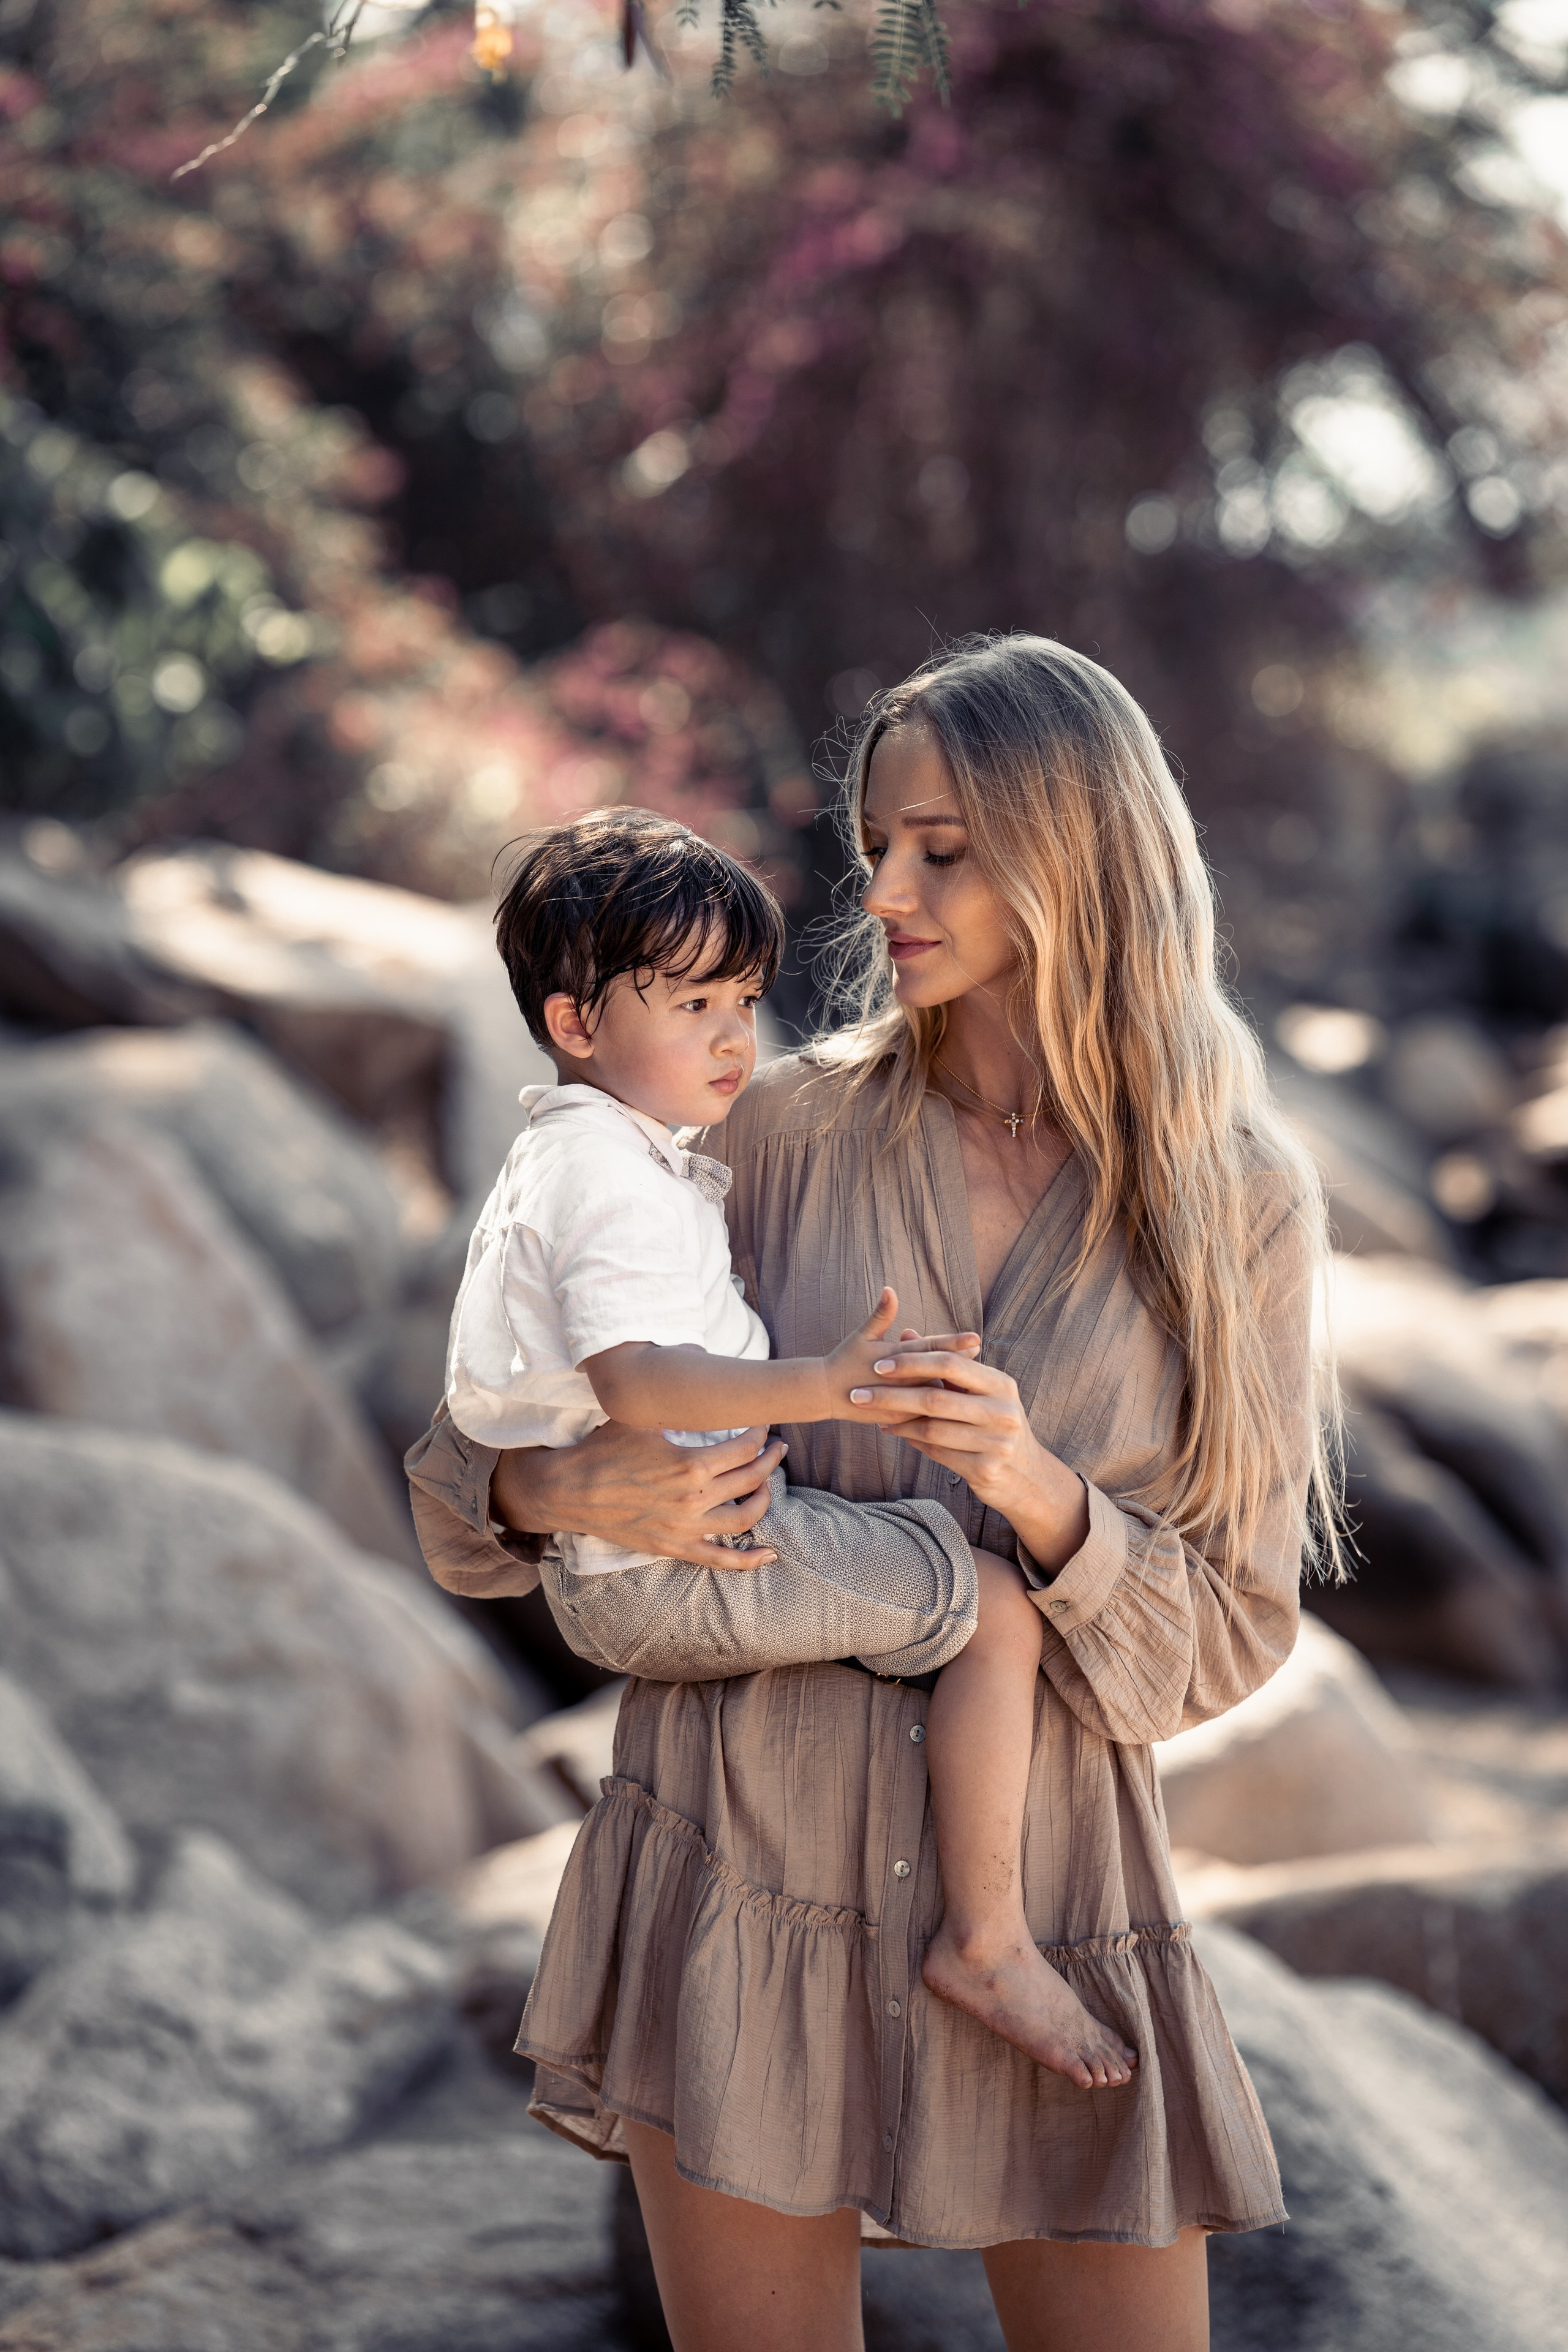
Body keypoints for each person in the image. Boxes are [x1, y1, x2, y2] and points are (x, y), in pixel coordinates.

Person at [407, 634, 1335, 2352]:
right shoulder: (763, 1133)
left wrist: (1038, 1492)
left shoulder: (1237, 1207)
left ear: (1079, 858)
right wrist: (551, 1489)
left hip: (1048, 1908)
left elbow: (1229, 1631)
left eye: (944, 851)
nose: (885, 894)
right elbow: (471, 1466)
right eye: (876, 846)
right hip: (734, 1875)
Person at [445, 807, 1136, 2089]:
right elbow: (633, 1377)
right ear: (573, 1024)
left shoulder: (609, 1153)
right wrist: (820, 1385)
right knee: (994, 1613)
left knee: (945, 1593)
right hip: (671, 1562)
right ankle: (987, 1940)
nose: (733, 1038)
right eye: (693, 1004)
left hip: (644, 1558)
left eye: (745, 1001)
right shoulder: (601, 1173)